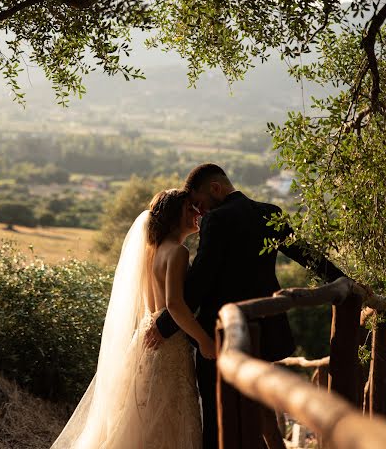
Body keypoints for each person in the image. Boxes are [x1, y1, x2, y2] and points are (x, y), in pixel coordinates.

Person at [145, 163, 346, 449]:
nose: (200, 213)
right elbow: (305, 254)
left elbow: (199, 281)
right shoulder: (269, 213)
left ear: (216, 188)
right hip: (265, 332)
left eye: (200, 204)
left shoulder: (218, 221)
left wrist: (164, 325)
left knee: (219, 421)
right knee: (256, 410)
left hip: (222, 335)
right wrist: (344, 280)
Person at [51, 188, 213, 449]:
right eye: (189, 209)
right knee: (170, 413)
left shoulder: (152, 251)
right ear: (174, 216)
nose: (197, 213)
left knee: (142, 414)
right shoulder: (178, 252)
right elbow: (174, 305)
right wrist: (204, 340)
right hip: (171, 342)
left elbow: (156, 303)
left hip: (147, 334)